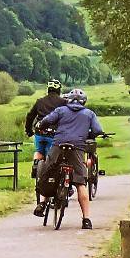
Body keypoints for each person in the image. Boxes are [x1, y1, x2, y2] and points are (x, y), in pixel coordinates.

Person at [35, 87, 104, 229]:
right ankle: (86, 220)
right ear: (84, 101)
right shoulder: (89, 114)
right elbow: (97, 130)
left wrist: (40, 125)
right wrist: (89, 134)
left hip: (58, 145)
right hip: (77, 148)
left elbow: (47, 120)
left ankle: (42, 203)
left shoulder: (61, 110)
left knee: (48, 172)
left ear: (68, 99)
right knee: (80, 183)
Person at [23, 79, 66, 188]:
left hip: (39, 133)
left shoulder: (40, 101)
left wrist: (29, 131)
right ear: (58, 90)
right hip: (53, 134)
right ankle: (53, 181)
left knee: (39, 151)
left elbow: (30, 116)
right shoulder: (63, 102)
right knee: (53, 159)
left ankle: (36, 165)